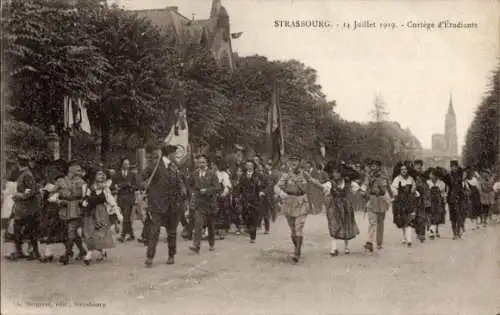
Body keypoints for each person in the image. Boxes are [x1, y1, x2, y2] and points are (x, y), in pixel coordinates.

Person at [142, 144, 186, 267]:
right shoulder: (155, 166)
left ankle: (171, 255)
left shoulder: (174, 167)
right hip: (157, 205)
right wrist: (145, 185)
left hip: (173, 206)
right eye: (175, 154)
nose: (176, 156)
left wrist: (182, 190)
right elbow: (141, 178)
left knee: (172, 232)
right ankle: (150, 257)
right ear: (170, 154)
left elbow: (179, 182)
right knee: (154, 231)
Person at [307, 161, 363, 256]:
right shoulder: (331, 183)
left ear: (342, 173)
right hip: (333, 205)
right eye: (334, 172)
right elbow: (322, 186)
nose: (335, 174)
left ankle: (346, 247)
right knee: (333, 224)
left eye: (337, 172)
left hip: (345, 205)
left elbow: (358, 190)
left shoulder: (349, 183)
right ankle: (334, 248)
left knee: (346, 224)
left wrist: (365, 193)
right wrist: (311, 180)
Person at [49, 160, 88, 265]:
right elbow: (51, 195)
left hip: (77, 209)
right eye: (77, 168)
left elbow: (86, 196)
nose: (79, 171)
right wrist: (58, 201)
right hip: (64, 210)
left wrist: (82, 202)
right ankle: (82, 251)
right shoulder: (60, 181)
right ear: (70, 168)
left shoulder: (82, 182)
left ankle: (66, 256)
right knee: (73, 233)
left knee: (71, 230)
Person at [81, 167, 123, 265]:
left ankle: (89, 254)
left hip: (101, 213)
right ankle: (102, 251)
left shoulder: (105, 189)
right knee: (90, 233)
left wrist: (118, 213)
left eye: (103, 174)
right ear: (94, 176)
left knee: (99, 233)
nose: (102, 176)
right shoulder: (87, 187)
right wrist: (84, 202)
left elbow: (111, 201)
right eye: (99, 174)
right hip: (90, 212)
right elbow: (85, 199)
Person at [5, 155, 41, 261]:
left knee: (24, 228)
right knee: (23, 228)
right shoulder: (25, 174)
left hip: (27, 208)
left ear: (18, 163)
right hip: (24, 207)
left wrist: (21, 196)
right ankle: (25, 252)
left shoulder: (26, 174)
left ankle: (30, 252)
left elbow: (33, 190)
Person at [275, 156, 309, 263]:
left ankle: (297, 252)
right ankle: (297, 247)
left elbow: (305, 188)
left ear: (299, 163)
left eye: (296, 162)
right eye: (291, 162)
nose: (293, 163)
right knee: (293, 229)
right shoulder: (285, 176)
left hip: (301, 202)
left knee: (299, 227)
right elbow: (277, 187)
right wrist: (281, 194)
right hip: (289, 202)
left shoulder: (305, 175)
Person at [188, 155, 221, 253]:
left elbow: (218, 187)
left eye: (203, 162)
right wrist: (192, 192)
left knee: (211, 226)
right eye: (199, 162)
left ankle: (211, 243)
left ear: (207, 163)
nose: (201, 164)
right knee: (198, 224)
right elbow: (189, 184)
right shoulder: (194, 174)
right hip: (199, 204)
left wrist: (207, 190)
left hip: (210, 204)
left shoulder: (212, 174)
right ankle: (196, 245)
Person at [363, 160, 391, 252]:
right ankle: (370, 242)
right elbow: (365, 186)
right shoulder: (368, 177)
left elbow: (385, 189)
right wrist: (363, 191)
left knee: (380, 223)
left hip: (381, 201)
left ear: (379, 167)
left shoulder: (383, 177)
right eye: (372, 166)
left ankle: (379, 242)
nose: (373, 167)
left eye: (375, 166)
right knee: (372, 222)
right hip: (371, 200)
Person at [238, 159, 266, 243]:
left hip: (255, 200)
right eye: (247, 165)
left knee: (254, 218)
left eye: (250, 165)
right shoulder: (243, 176)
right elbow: (240, 187)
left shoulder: (258, 175)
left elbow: (264, 185)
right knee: (246, 218)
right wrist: (237, 195)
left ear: (253, 166)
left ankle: (252, 237)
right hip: (245, 200)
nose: (249, 167)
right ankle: (250, 229)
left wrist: (262, 192)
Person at [391, 164, 418, 247]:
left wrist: (413, 191)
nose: (403, 171)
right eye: (402, 169)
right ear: (400, 171)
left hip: (409, 200)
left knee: (409, 219)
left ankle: (409, 239)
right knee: (402, 220)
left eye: (405, 169)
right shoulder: (397, 179)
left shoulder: (411, 179)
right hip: (400, 200)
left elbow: (414, 188)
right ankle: (404, 236)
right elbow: (393, 188)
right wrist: (396, 193)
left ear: (407, 170)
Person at [114, 158, 139, 242]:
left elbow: (136, 186)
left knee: (126, 216)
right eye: (125, 164)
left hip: (129, 197)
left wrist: (130, 187)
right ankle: (131, 235)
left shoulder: (132, 174)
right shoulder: (116, 174)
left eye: (128, 164)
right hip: (121, 198)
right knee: (126, 217)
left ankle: (123, 235)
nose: (127, 166)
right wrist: (118, 186)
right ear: (122, 165)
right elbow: (113, 186)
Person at [213, 158, 232, 239]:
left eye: (214, 165)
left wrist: (223, 193)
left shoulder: (224, 174)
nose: (212, 166)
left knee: (222, 213)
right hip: (214, 195)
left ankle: (222, 231)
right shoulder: (212, 173)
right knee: (214, 213)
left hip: (221, 196)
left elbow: (227, 185)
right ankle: (215, 230)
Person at [425, 167, 446, 239]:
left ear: (435, 175)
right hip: (430, 200)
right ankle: (432, 232)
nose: (430, 175)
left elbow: (443, 192)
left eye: (431, 174)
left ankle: (436, 230)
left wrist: (444, 199)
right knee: (430, 215)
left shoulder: (441, 183)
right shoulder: (427, 182)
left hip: (438, 201)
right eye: (430, 174)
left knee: (437, 216)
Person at [447, 160, 466, 239]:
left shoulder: (461, 175)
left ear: (457, 167)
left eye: (455, 167)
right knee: (453, 216)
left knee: (460, 214)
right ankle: (454, 233)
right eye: (452, 167)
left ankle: (458, 231)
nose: (453, 168)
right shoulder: (448, 176)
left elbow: (464, 185)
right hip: (451, 197)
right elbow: (447, 187)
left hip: (460, 197)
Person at [413, 160, 429, 242]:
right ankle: (418, 232)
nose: (418, 167)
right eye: (416, 165)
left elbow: (426, 187)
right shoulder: (411, 176)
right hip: (413, 199)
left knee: (422, 217)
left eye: (420, 165)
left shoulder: (424, 176)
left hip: (422, 199)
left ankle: (422, 234)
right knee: (415, 217)